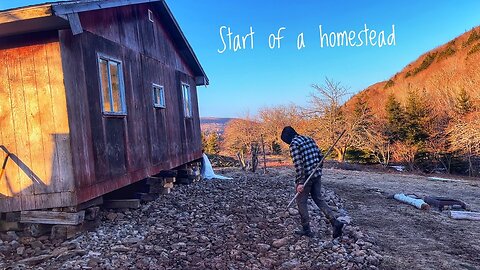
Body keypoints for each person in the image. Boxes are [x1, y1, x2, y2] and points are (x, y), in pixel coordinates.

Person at [280, 126, 344, 238]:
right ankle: (335, 222)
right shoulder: (309, 139)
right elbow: (320, 157)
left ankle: (306, 229)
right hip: (316, 175)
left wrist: (300, 182)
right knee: (318, 199)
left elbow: (299, 165)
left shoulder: (294, 145)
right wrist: (318, 170)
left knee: (301, 202)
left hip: (306, 178)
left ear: (287, 138)